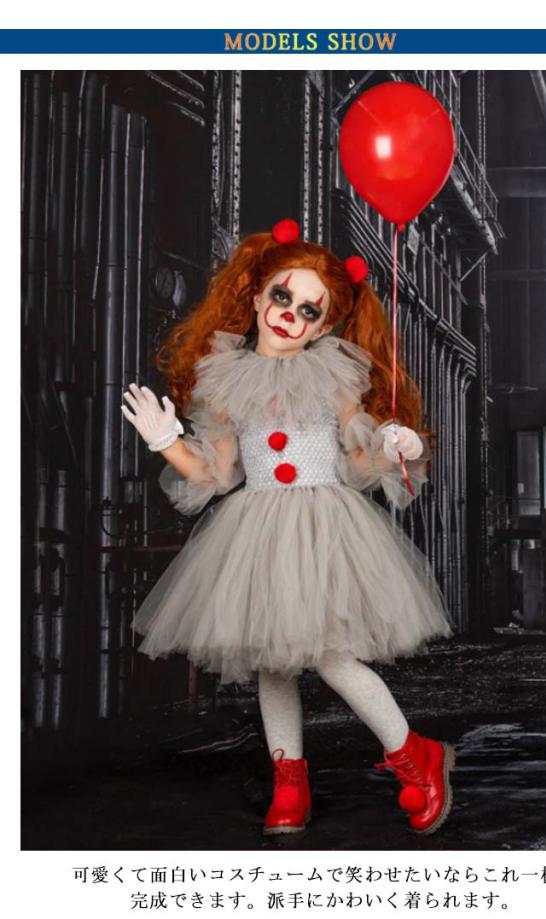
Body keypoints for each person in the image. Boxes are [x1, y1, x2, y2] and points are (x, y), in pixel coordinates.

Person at [122, 218, 457, 837]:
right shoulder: (225, 379)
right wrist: (168, 441)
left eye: (309, 310)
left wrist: (392, 448)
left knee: (332, 656)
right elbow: (219, 474)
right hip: (257, 530)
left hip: (324, 529)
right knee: (271, 662)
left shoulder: (334, 376)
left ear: (323, 327)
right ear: (256, 295)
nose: (289, 315)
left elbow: (356, 466)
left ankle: (415, 755)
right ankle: (289, 782)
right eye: (282, 295)